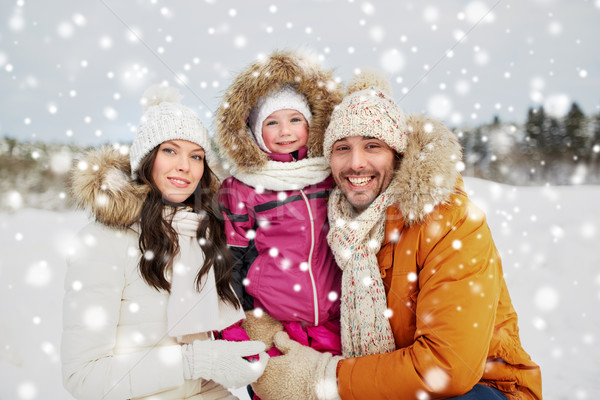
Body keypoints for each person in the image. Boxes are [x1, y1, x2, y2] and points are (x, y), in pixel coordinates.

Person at [246, 71, 543, 400]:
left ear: (397, 154)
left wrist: (324, 378)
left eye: (372, 146)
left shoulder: (448, 220)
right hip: (387, 384)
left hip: (482, 389)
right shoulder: (334, 223)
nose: (356, 163)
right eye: (343, 148)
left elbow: (447, 368)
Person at [61, 85, 269, 400]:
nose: (185, 166)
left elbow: (201, 381)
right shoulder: (101, 243)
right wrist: (195, 362)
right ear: (146, 160)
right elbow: (84, 377)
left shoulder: (199, 238)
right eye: (170, 150)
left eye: (196, 156)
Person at [215, 51, 344, 363]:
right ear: (255, 133)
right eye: (272, 122)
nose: (285, 132)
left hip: (335, 322)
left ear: (311, 124)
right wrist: (237, 323)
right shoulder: (242, 187)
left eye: (295, 119)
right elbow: (229, 262)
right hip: (276, 326)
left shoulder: (328, 175)